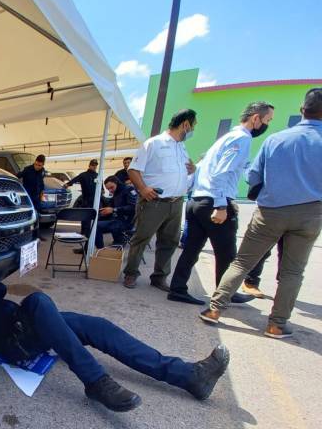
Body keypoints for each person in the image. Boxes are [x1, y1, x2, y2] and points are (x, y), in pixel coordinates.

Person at [0, 283, 230, 412]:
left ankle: (188, 376)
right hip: (16, 341)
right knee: (38, 300)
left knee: (98, 326)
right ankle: (96, 382)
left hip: (27, 322)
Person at [200, 88, 322, 339]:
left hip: (270, 210)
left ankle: (214, 309)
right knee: (292, 272)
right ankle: (276, 324)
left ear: (302, 109)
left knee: (242, 261)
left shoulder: (276, 139)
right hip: (310, 213)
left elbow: (253, 176)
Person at [168, 102, 275, 305]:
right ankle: (226, 294)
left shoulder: (225, 138)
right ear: (256, 118)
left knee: (191, 250)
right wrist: (221, 205)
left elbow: (201, 170)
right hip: (214, 201)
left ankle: (177, 289)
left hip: (198, 200)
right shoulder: (241, 138)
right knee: (227, 253)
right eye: (267, 120)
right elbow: (221, 173)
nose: (267, 125)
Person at [123, 110, 197, 290]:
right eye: (193, 126)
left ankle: (159, 277)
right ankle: (131, 274)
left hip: (176, 202)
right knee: (141, 238)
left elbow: (183, 169)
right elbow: (133, 170)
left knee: (170, 241)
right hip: (155, 202)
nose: (193, 130)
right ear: (185, 124)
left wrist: (192, 169)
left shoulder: (181, 147)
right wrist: (143, 189)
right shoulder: (154, 143)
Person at [95, 176, 136, 248]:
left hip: (127, 222)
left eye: (111, 187)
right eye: (108, 189)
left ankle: (100, 250)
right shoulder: (116, 192)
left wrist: (114, 210)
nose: (110, 190)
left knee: (96, 226)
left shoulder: (128, 189)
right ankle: (88, 248)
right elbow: (111, 205)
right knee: (93, 223)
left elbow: (133, 207)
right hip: (118, 219)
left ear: (117, 183)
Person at [17, 154, 47, 240]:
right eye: (36, 164)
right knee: (26, 216)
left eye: (39, 165)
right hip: (27, 197)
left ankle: (37, 234)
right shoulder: (27, 169)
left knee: (37, 216)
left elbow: (41, 183)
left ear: (43, 165)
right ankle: (24, 236)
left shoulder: (43, 171)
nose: (37, 167)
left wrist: (42, 195)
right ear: (35, 162)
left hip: (37, 197)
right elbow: (17, 176)